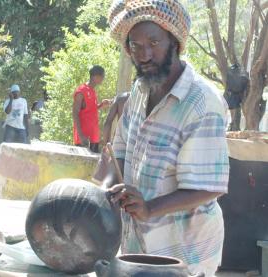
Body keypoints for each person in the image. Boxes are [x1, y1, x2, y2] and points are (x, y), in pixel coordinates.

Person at [104, 1, 230, 276]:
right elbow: (120, 151)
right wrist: (107, 192)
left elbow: (210, 186)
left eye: (154, 42)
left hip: (186, 253)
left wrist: (150, 208)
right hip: (139, 245)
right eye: (135, 46)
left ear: (175, 43)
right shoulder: (139, 89)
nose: (145, 54)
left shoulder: (202, 103)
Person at [73, 65, 111, 153]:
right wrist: (81, 135)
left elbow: (89, 109)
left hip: (94, 137)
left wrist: (101, 105)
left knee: (93, 166)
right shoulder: (81, 91)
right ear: (96, 77)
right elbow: (75, 113)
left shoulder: (92, 90)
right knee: (82, 166)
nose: (103, 79)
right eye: (102, 76)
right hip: (83, 139)